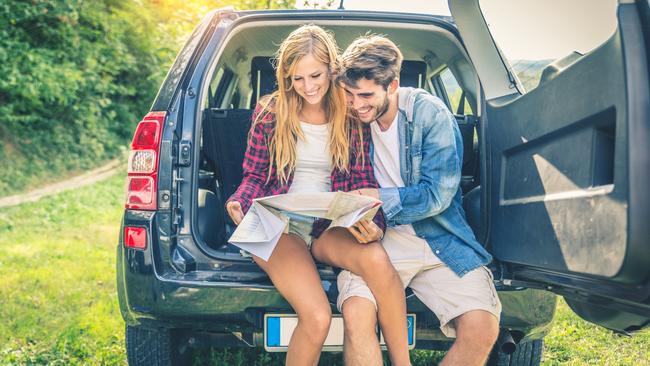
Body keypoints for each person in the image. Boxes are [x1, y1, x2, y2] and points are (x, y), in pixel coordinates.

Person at [225, 25, 411, 366]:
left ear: (331, 68)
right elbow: (254, 176)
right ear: (286, 77)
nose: (308, 87)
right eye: (297, 79)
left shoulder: (350, 112)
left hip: (329, 223)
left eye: (315, 75)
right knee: (317, 317)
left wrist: (376, 224)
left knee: (377, 260)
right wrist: (239, 201)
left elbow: (363, 179)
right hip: (278, 226)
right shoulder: (271, 111)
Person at [336, 35, 502, 366]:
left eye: (366, 95)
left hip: (438, 237)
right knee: (357, 315)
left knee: (482, 327)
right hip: (376, 240)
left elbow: (437, 194)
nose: (356, 105)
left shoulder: (430, 115)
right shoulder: (350, 116)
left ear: (393, 85)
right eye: (349, 95)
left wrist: (377, 199)